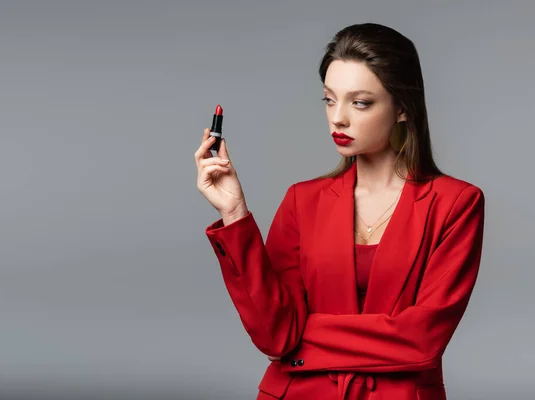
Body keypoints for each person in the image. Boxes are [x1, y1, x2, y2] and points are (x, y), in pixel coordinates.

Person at [195, 22, 485, 400]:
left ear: (402, 107)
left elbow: (421, 342)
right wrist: (235, 213)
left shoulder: (456, 205)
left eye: (360, 102)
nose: (338, 118)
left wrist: (301, 345)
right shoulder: (303, 200)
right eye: (330, 99)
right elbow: (276, 335)